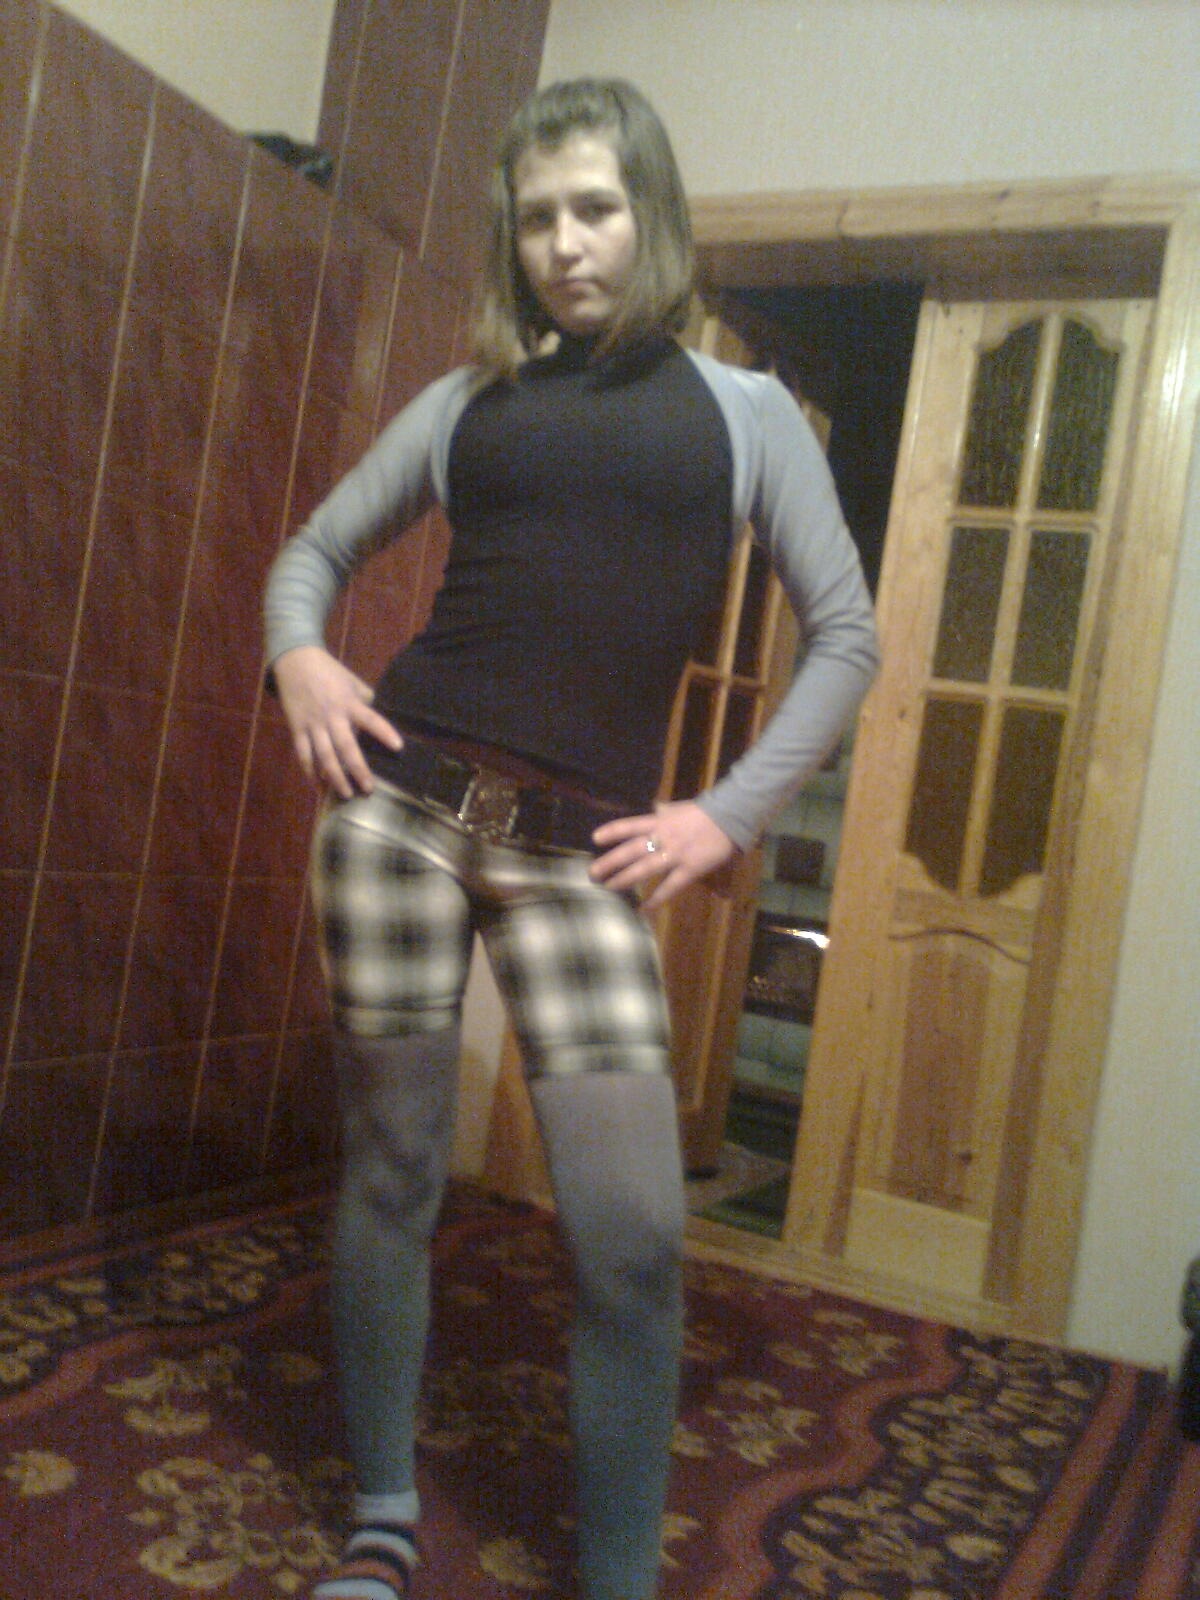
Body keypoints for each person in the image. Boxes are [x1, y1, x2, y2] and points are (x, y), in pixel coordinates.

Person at [264, 76, 879, 1600]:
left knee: (635, 1234)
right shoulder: (467, 404)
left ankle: (616, 1581)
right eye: (537, 217)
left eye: (595, 207)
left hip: (581, 859)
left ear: (651, 214)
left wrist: (726, 815)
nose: (565, 243)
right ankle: (384, 1517)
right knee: (393, 1169)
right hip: (398, 816)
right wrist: (302, 656)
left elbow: (846, 635)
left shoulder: (746, 417)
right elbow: (314, 551)